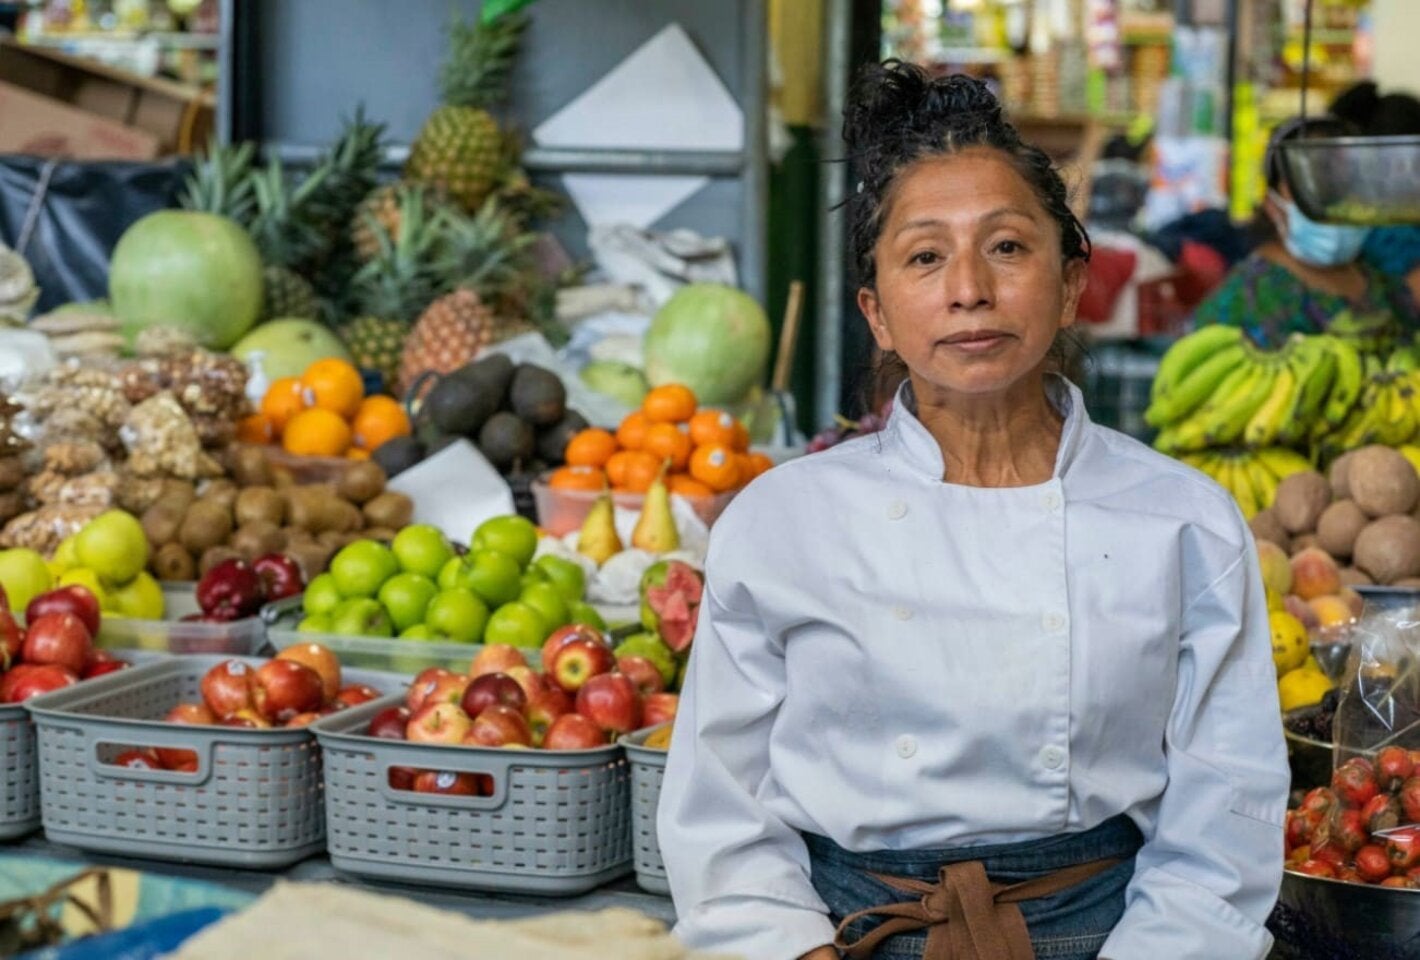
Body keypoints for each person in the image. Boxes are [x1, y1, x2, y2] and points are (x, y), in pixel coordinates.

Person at [658, 63, 1289, 960]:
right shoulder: (781, 522)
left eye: (1005, 247)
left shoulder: (1184, 522)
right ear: (876, 313)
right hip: (852, 940)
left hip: (1111, 937)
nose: (969, 290)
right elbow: (720, 806)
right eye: (925, 256)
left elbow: (1225, 813)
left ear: (1072, 283)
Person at [1190, 115, 1420, 345]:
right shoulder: (1242, 304)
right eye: (1317, 187)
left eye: (1348, 185)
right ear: (1273, 204)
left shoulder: (1384, 287)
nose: (1333, 206)